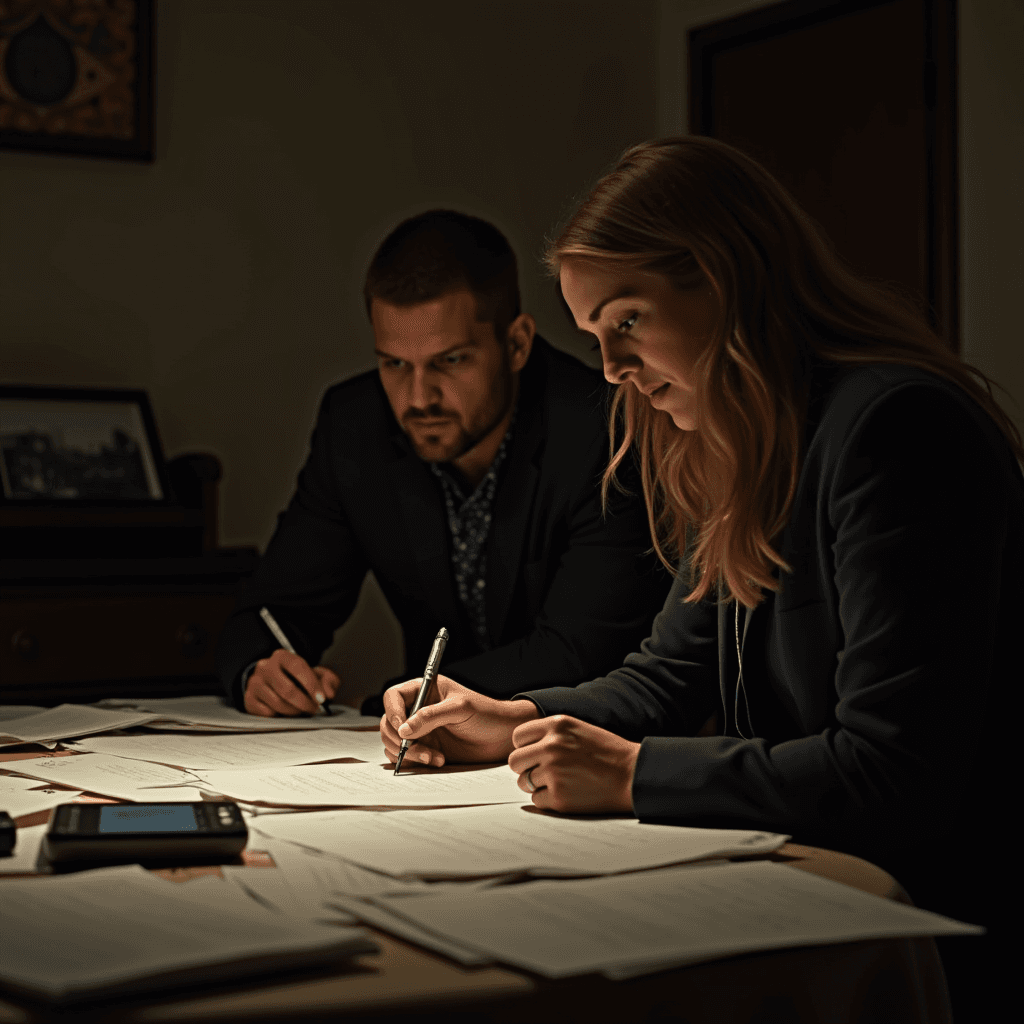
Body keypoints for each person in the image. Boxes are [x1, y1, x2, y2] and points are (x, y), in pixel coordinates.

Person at [379, 140, 1023, 1019]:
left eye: (628, 322)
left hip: (936, 931)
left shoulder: (897, 430)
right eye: (595, 338)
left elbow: (895, 773)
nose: (612, 370)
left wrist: (639, 775)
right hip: (809, 887)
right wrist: (515, 719)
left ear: (725, 280)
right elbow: (670, 674)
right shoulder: (748, 438)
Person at [217, 209, 671, 718]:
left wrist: (387, 703)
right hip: (427, 765)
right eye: (394, 363)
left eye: (450, 361)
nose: (418, 398)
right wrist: (257, 670)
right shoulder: (356, 427)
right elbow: (274, 608)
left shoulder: (607, 429)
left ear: (517, 343)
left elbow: (580, 654)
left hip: (568, 744)